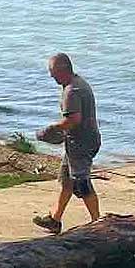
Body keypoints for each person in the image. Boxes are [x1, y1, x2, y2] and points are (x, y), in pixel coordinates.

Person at [32, 53, 101, 234]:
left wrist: (52, 129)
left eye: (53, 72)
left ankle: (98, 223)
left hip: (81, 142)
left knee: (81, 182)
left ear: (63, 70)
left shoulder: (72, 90)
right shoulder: (79, 83)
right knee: (66, 180)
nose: (51, 76)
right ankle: (55, 219)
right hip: (80, 140)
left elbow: (73, 120)